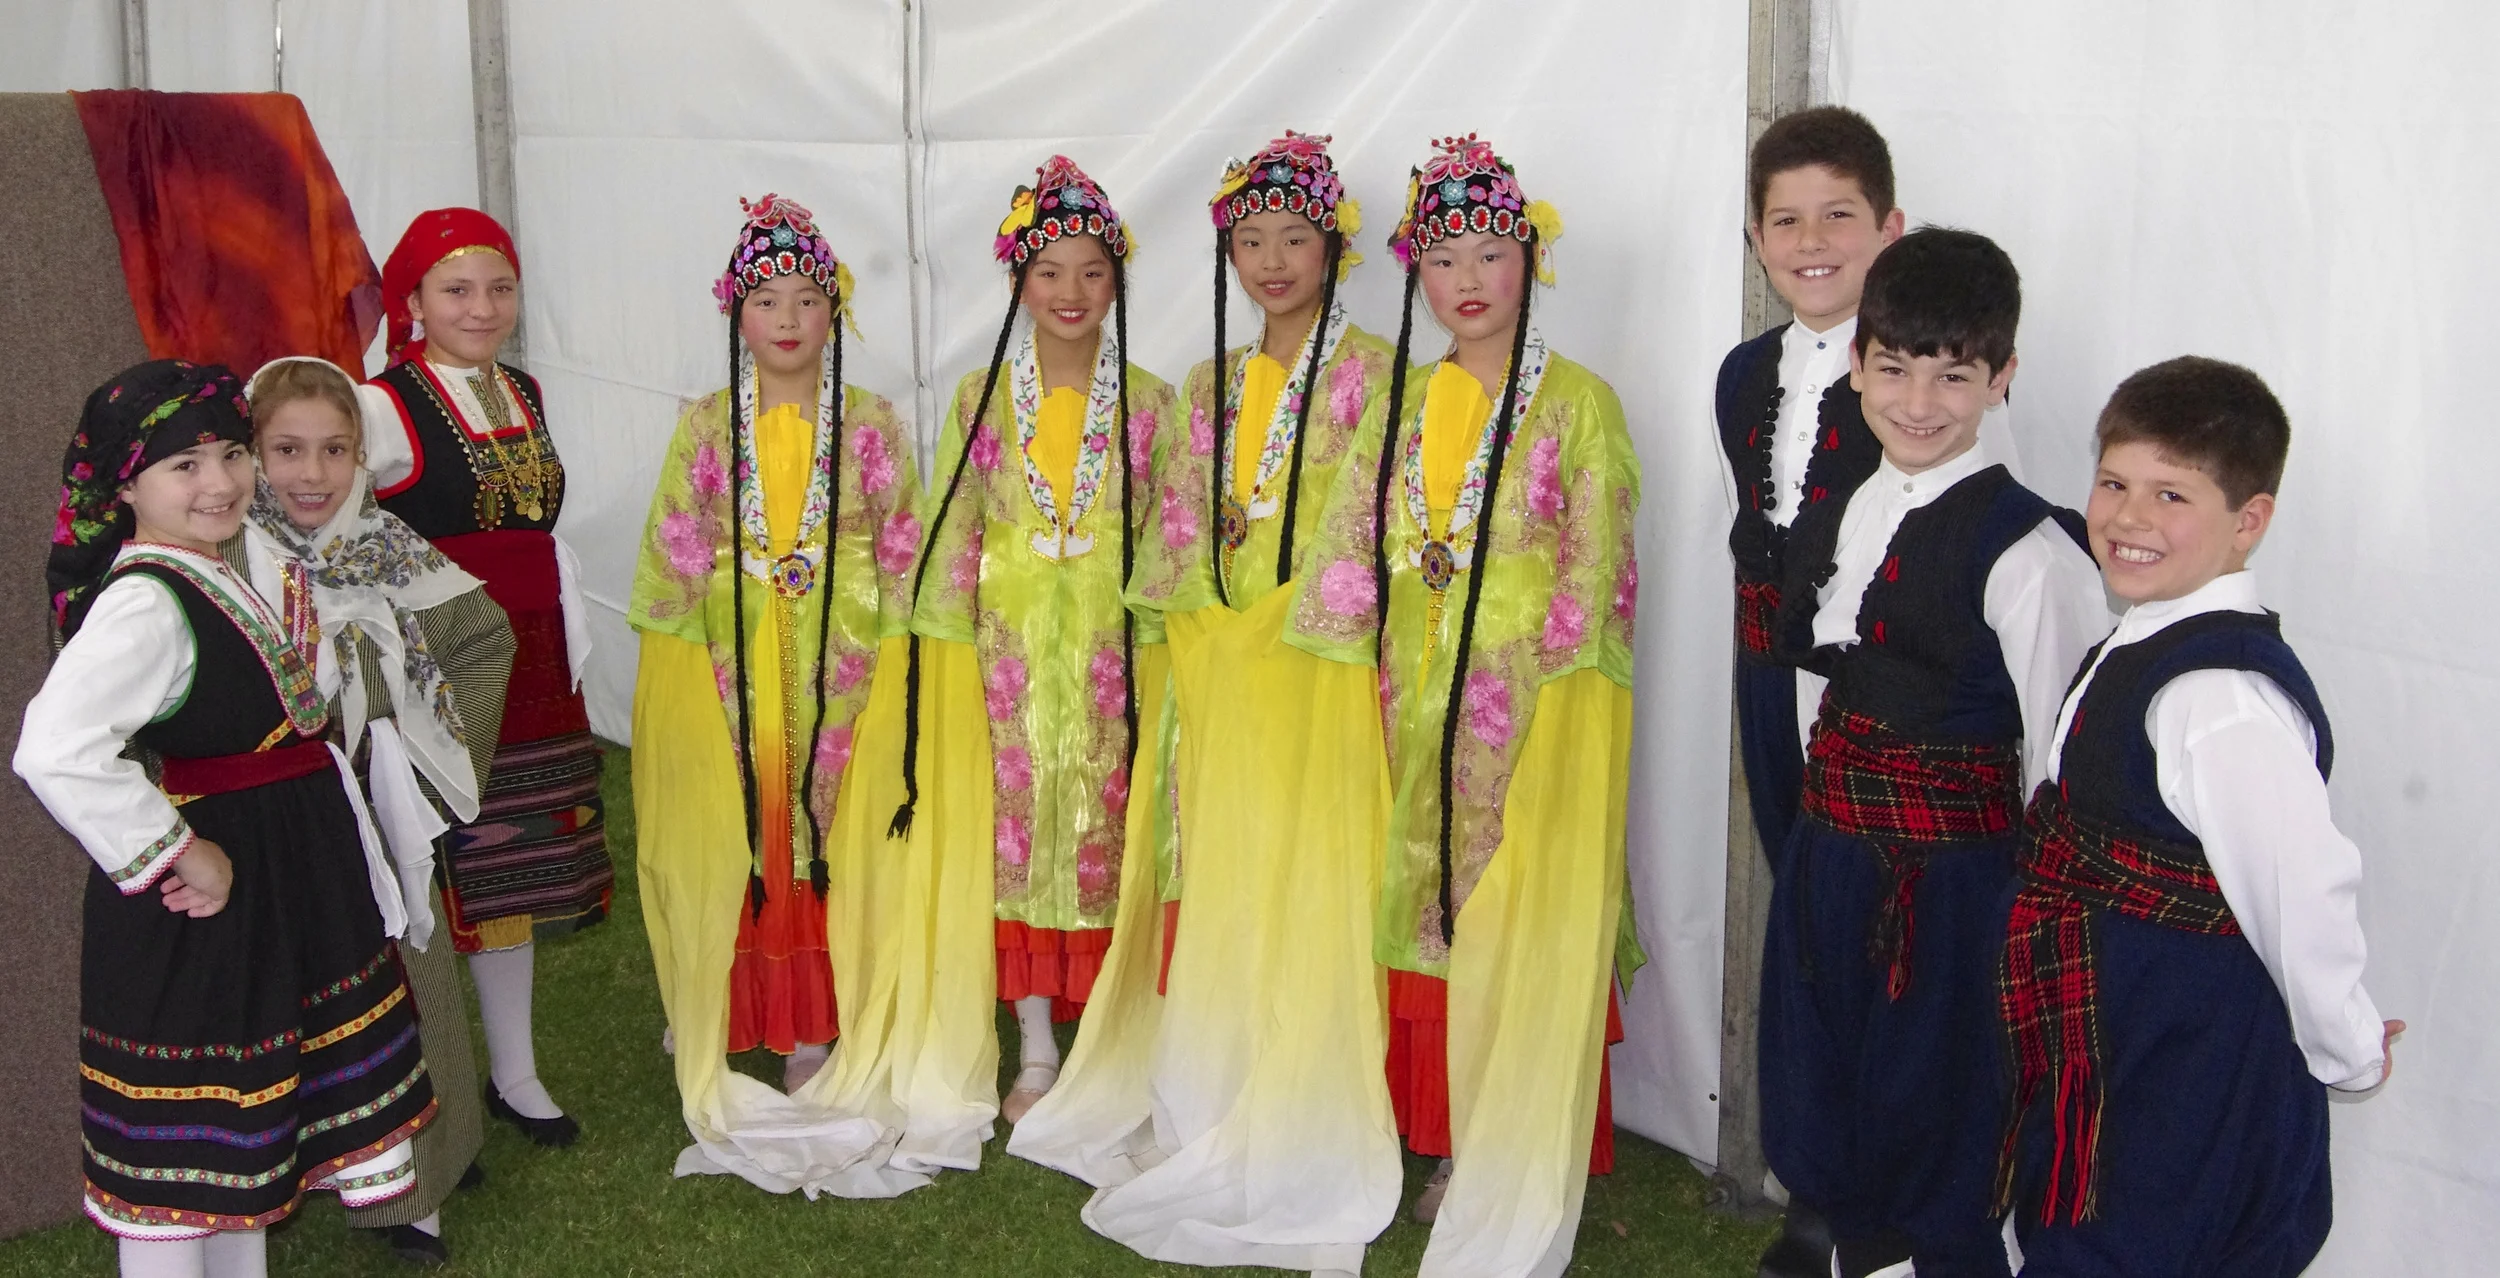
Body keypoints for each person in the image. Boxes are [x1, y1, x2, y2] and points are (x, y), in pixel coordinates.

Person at [1010, 131, 1404, 1275]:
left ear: (1333, 245)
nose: (1271, 261)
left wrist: (1288, 614)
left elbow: (1363, 523)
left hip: (1319, 676)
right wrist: (1210, 612)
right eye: (1249, 241)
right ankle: (1222, 1074)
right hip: (1221, 678)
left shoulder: (1379, 377)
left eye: (1293, 237)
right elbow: (1172, 527)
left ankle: (1310, 1087)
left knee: (1313, 873)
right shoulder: (1206, 385)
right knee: (1228, 870)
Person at [1285, 134, 1644, 1277]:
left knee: (1498, 896)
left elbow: (1599, 564)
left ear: (1528, 261)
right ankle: (1413, 1127)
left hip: (1522, 693)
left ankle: (1492, 1130)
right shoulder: (1399, 399)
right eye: (1444, 260)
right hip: (1407, 679)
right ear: (1415, 274)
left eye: (1492, 252)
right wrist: (1330, 657)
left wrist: (1564, 695)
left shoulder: (1581, 401)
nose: (1470, 279)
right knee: (1410, 889)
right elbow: (1349, 537)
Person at [17, 360, 435, 1278]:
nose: (219, 483)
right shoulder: (144, 603)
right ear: (125, 485)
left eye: (230, 455)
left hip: (272, 879)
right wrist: (175, 850)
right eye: (183, 466)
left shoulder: (209, 567)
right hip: (200, 905)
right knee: (182, 1168)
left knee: (244, 1144)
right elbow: (53, 747)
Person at [1995, 357, 2398, 1275]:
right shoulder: (2145, 637)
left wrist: (2349, 1047)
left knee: (2145, 1239)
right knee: (2083, 1226)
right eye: (2113, 482)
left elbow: (2300, 892)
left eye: (2171, 495)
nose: (2129, 518)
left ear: (2248, 520)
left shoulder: (2219, 693)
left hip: (2186, 1046)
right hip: (2115, 1023)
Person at [1757, 229, 2109, 1278]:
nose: (1919, 401)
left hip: (1951, 889)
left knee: (1939, 1110)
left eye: (1952, 375)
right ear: (1858, 361)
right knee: (1822, 1075)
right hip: (1835, 854)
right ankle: (1847, 1247)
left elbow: (2061, 756)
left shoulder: (2030, 552)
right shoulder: (1855, 502)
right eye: (1895, 367)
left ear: (2000, 379)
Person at [627, 195, 936, 1195]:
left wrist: (891, 647)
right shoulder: (709, 424)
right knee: (742, 827)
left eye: (807, 298)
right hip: (736, 660)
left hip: (839, 661)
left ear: (834, 309)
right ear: (736, 313)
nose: (789, 319)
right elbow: (677, 546)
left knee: (822, 828)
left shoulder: (875, 421)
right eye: (766, 300)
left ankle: (807, 1020)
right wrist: (707, 627)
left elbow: (900, 548)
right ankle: (724, 994)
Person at [897, 156, 1176, 1125]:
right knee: (1012, 842)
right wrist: (940, 663)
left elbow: (1174, 538)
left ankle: (1110, 1036)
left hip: (1114, 667)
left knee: (1109, 839)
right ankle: (1035, 1045)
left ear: (1119, 283)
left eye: (1093, 271)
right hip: (1007, 667)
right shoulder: (983, 392)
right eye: (1049, 270)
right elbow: (951, 527)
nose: (1071, 292)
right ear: (1017, 279)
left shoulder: (1149, 403)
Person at [243, 356, 510, 1267]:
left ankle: (427, 1172)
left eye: (333, 450)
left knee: (411, 985)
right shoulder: (234, 555)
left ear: (363, 456)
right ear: (250, 452)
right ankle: (322, 1167)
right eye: (286, 450)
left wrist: (433, 768)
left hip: (381, 811)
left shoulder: (387, 544)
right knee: (307, 997)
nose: (310, 474)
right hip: (284, 816)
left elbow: (483, 639)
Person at [365, 208, 614, 1147]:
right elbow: (332, 529)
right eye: (457, 289)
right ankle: (423, 1088)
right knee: (425, 864)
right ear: (415, 301)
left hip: (536, 657)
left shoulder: (525, 391)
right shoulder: (381, 403)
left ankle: (515, 1072)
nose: (482, 306)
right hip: (443, 659)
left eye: (499, 287)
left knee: (508, 864)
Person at [1718, 107, 1898, 868]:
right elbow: (1744, 517)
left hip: (1882, 689)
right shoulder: (1742, 371)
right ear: (1758, 242)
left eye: (1837, 216)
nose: (1811, 242)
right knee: (1790, 875)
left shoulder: (1924, 381)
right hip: (1768, 672)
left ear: (1889, 230)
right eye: (1786, 221)